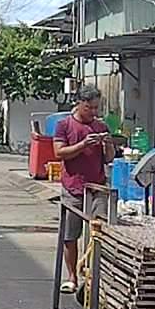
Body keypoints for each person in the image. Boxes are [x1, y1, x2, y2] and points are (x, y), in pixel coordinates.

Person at [53, 84, 116, 294]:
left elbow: (108, 158)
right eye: (89, 108)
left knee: (98, 232)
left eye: (96, 108)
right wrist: (82, 145)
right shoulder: (64, 125)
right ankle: (72, 277)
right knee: (70, 235)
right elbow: (59, 153)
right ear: (79, 104)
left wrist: (108, 144)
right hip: (73, 187)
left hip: (97, 187)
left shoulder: (101, 126)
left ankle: (93, 275)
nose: (93, 112)